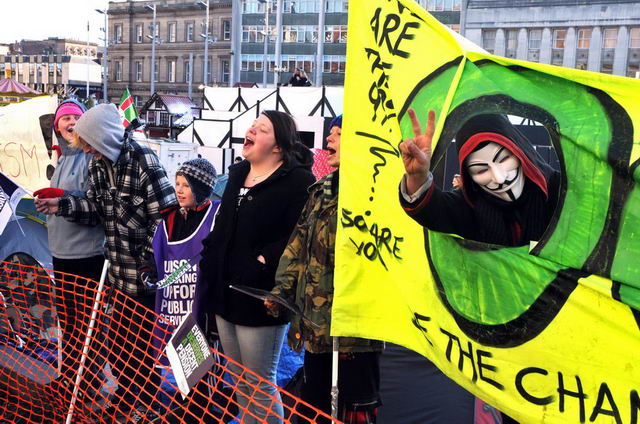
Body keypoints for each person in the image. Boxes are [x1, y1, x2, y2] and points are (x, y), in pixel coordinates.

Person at [399, 109, 560, 424]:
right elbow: (433, 209)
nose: (498, 177)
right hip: (514, 351)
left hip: (568, 341)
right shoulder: (471, 208)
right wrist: (417, 177)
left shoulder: (560, 192)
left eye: (503, 159)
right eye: (481, 169)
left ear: (520, 151)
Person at [34, 103, 178, 419]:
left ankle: (146, 406)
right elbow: (96, 209)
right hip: (116, 275)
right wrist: (62, 205)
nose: (87, 150)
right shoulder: (100, 166)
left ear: (103, 137)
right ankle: (126, 398)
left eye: (89, 143)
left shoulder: (143, 160)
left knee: (141, 349)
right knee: (118, 347)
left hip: (143, 277)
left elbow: (166, 216)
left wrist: (148, 260)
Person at [197, 110, 315, 424]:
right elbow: (223, 226)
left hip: (261, 295)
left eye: (261, 129)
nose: (251, 130)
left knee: (260, 382)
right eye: (252, 125)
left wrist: (263, 260)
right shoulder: (237, 174)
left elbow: (300, 234)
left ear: (278, 146)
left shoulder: (299, 181)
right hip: (225, 291)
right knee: (239, 381)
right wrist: (210, 260)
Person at [267, 115, 383, 424]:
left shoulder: (375, 194)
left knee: (354, 410)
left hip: (355, 334)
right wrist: (281, 291)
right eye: (330, 132)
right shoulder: (319, 192)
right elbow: (296, 247)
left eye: (338, 133)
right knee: (314, 409)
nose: (329, 139)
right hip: (315, 330)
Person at [33, 99, 105, 399]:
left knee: (86, 327)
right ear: (57, 125)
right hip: (61, 253)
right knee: (69, 324)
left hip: (87, 255)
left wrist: (61, 197)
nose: (71, 122)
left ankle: (86, 384)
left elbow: (96, 204)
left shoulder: (91, 158)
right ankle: (70, 378)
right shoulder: (61, 158)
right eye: (65, 118)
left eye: (77, 117)